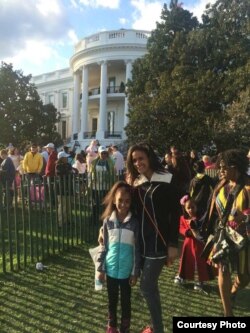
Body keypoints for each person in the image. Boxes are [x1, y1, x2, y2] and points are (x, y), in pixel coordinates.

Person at [126, 142, 180, 333]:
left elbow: (176, 213)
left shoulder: (166, 178)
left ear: (149, 157)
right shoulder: (136, 182)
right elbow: (126, 209)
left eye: (141, 158)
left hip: (159, 242)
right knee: (151, 287)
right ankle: (158, 328)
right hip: (141, 243)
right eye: (134, 160)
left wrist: (173, 244)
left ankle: (157, 330)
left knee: (147, 287)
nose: (138, 162)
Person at [204, 149, 250, 317]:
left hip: (243, 237)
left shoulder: (248, 186)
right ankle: (228, 313)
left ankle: (233, 290)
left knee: (245, 277)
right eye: (219, 166)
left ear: (235, 166)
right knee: (223, 269)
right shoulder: (220, 185)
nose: (220, 170)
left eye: (224, 167)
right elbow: (212, 210)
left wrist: (244, 216)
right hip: (223, 235)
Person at [96, 181, 140, 333]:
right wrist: (101, 268)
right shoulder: (108, 222)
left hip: (127, 272)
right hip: (111, 271)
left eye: (127, 201)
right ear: (114, 200)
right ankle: (112, 327)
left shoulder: (134, 223)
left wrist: (135, 272)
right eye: (120, 200)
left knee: (126, 302)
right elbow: (104, 247)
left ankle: (125, 328)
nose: (123, 204)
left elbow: (137, 250)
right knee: (112, 301)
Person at [174, 195, 214, 290]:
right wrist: (187, 232)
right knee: (185, 262)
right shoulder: (183, 218)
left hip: (199, 245)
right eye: (188, 208)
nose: (191, 209)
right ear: (185, 208)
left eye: (193, 207)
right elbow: (180, 228)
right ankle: (182, 276)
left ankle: (199, 280)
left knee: (199, 263)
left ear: (196, 207)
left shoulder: (201, 218)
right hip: (188, 245)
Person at [88, 146, 115, 223]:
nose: (103, 155)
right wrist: (91, 182)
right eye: (102, 153)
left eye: (105, 153)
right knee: (95, 202)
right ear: (99, 153)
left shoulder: (111, 162)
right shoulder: (94, 162)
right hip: (95, 186)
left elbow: (113, 174)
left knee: (105, 203)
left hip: (106, 186)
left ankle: (104, 218)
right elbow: (90, 173)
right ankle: (94, 218)